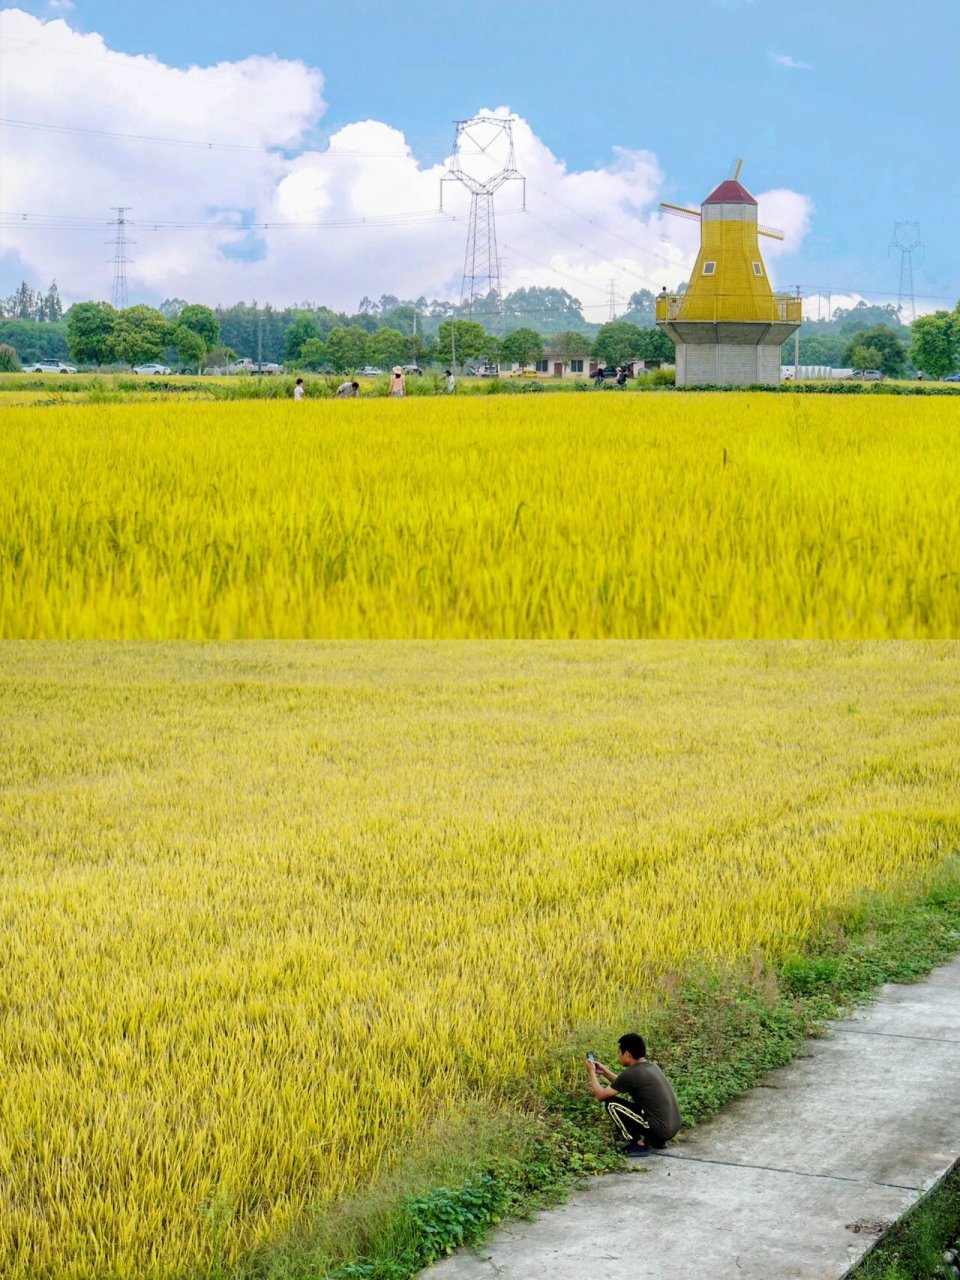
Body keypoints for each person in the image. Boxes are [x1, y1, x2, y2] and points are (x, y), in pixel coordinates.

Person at [586, 1032, 682, 1158]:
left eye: (619, 1052)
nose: (618, 1056)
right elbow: (624, 1083)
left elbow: (600, 1095)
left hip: (662, 1129)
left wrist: (591, 1072)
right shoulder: (651, 1066)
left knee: (612, 1104)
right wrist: (604, 1072)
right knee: (641, 1110)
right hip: (671, 1126)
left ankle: (637, 1144)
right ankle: (657, 1140)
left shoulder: (632, 1074)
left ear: (627, 1054)